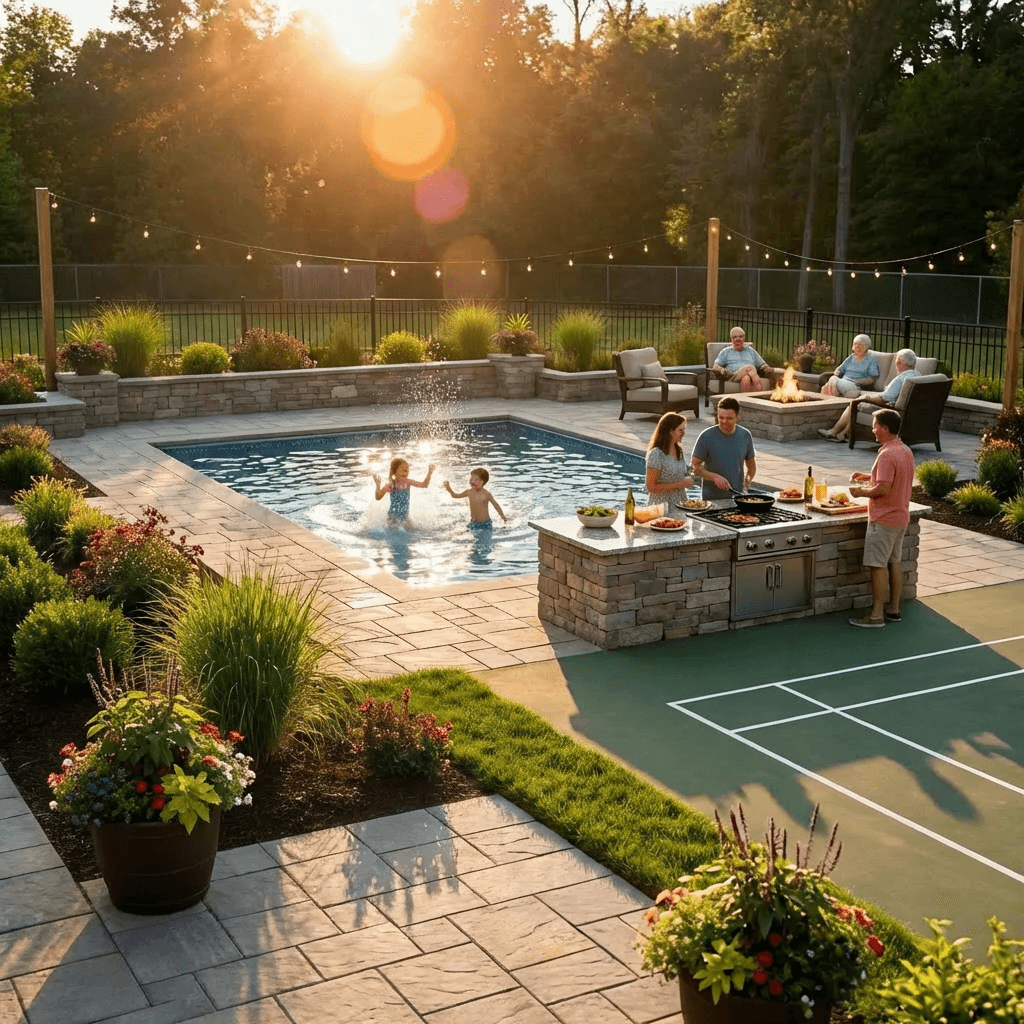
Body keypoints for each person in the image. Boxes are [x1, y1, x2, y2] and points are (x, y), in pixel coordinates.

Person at [847, 408, 915, 628]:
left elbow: (884, 489)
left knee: (877, 566)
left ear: (884, 429)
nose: (873, 429)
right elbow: (894, 478)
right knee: (894, 562)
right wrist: (869, 476)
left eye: (875, 425)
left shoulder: (886, 455)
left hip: (884, 519)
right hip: (901, 516)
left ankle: (876, 616)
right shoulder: (904, 450)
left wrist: (860, 492)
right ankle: (893, 610)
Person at [817, 348, 921, 443]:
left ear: (899, 363)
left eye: (896, 362)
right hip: (902, 410)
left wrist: (867, 398)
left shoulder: (901, 378)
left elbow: (884, 398)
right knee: (858, 402)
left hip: (889, 407)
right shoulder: (917, 376)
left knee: (854, 403)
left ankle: (833, 432)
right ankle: (843, 433)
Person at [691, 397, 757, 499]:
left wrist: (746, 483)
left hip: (737, 498)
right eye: (721, 417)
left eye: (729, 418)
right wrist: (714, 477)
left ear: (737, 417)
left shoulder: (745, 435)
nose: (724, 421)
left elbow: (751, 466)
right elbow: (695, 467)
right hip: (712, 499)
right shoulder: (706, 436)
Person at [645, 412, 696, 505]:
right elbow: (651, 487)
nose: (683, 433)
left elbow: (683, 473)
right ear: (670, 431)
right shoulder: (656, 454)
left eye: (684, 429)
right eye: (680, 430)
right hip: (662, 507)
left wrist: (698, 470)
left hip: (681, 505)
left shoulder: (679, 450)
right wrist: (680, 484)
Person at [820, 334, 879, 398]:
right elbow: (839, 369)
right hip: (843, 383)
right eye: (855, 345)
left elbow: (872, 379)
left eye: (859, 346)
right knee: (829, 384)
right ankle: (833, 403)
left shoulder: (871, 360)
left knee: (831, 382)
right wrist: (837, 372)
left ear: (866, 347)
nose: (857, 348)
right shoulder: (851, 357)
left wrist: (856, 381)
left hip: (855, 385)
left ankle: (829, 403)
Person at [712, 326, 769, 392]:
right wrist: (722, 370)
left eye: (740, 336)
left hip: (750, 377)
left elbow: (762, 364)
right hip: (733, 376)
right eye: (734, 337)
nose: (737, 339)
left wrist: (768, 369)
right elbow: (715, 366)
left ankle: (745, 401)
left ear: (744, 338)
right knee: (749, 367)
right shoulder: (726, 351)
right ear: (731, 339)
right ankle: (759, 390)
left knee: (746, 378)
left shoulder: (750, 351)